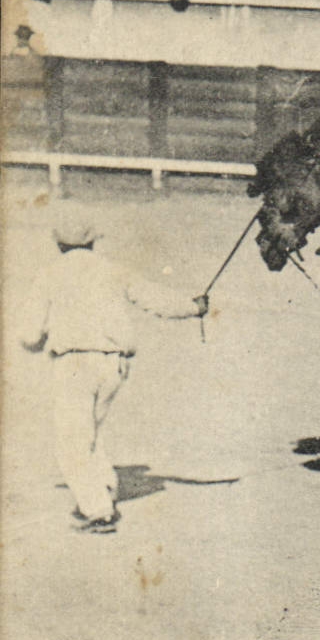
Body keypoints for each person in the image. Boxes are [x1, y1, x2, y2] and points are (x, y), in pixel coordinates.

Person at [17, 210, 209, 533]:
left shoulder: (48, 274)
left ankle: (99, 510)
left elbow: (29, 334)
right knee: (91, 431)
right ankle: (102, 491)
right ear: (93, 241)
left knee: (72, 440)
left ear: (58, 243)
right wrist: (193, 307)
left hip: (73, 365)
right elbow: (154, 299)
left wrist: (36, 344)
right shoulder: (112, 270)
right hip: (113, 366)